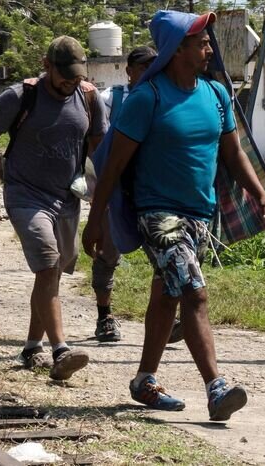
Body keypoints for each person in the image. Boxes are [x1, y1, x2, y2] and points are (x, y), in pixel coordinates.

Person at [84, 11, 265, 420]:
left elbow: (233, 152)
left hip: (199, 215)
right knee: (194, 291)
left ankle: (144, 381)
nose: (209, 49)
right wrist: (96, 219)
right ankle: (216, 387)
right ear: (177, 51)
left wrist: (259, 192)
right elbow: (113, 166)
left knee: (168, 292)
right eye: (202, 43)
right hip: (158, 214)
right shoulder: (147, 98)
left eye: (208, 43)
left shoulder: (215, 95)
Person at [0, 36, 105, 382]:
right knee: (49, 263)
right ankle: (60, 351)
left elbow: (99, 151)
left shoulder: (90, 98)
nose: (70, 82)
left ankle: (32, 346)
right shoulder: (20, 96)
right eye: (64, 75)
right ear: (47, 66)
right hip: (25, 194)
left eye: (76, 76)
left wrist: (108, 203)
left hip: (66, 198)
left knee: (52, 272)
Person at [88, 44, 158, 345]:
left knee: (163, 254)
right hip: (115, 189)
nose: (148, 71)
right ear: (129, 70)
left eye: (153, 66)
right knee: (106, 253)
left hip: (151, 189)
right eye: (142, 66)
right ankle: (105, 317)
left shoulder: (163, 97)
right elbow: (93, 140)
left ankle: (167, 318)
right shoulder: (109, 99)